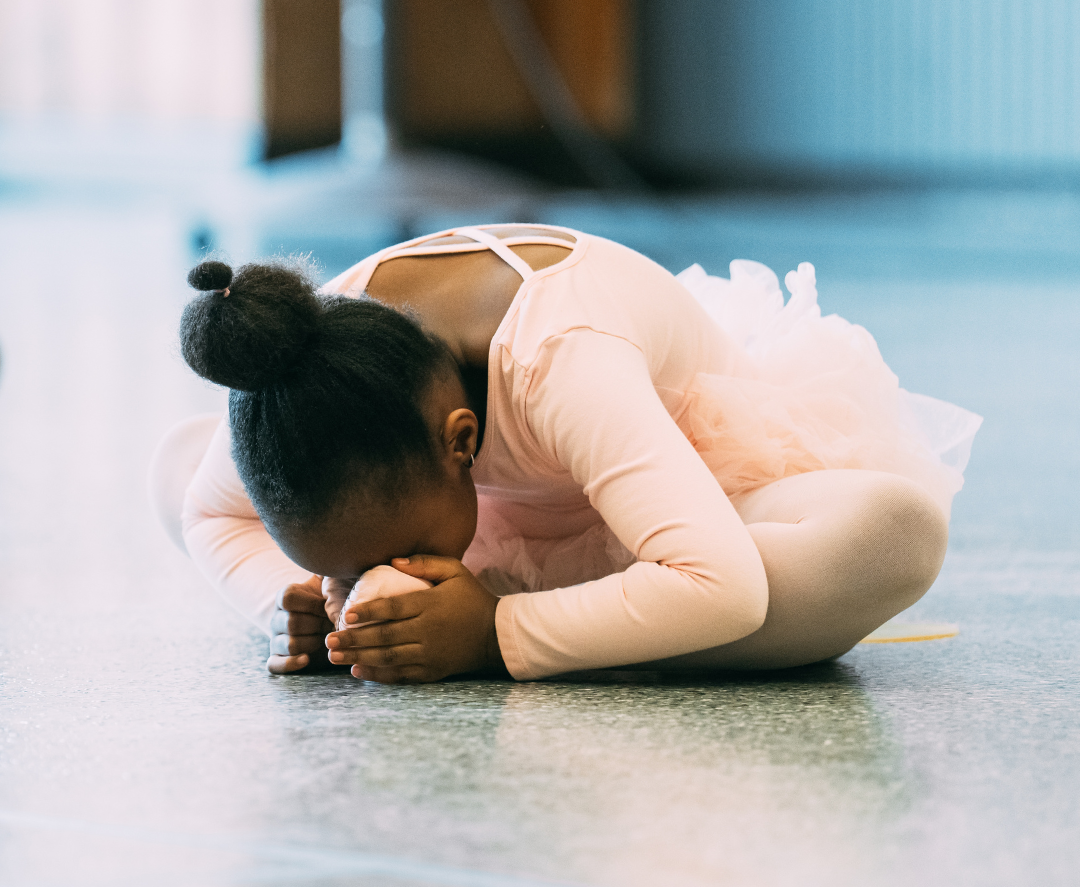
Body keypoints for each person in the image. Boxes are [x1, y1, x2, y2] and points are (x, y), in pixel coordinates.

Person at [149, 224, 981, 684]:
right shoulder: (301, 361)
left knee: (895, 530)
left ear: (461, 442)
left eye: (385, 557)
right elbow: (209, 509)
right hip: (500, 528)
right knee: (176, 459)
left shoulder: (561, 358)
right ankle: (607, 626)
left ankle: (565, 619)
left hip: (685, 515)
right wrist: (291, 603)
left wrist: (494, 637)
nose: (372, 575)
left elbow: (723, 587)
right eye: (350, 571)